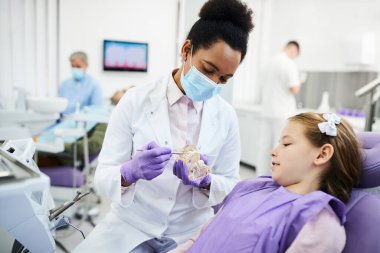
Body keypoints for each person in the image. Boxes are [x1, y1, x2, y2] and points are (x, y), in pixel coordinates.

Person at [73, 0, 254, 252]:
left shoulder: (226, 117)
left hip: (190, 232)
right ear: (186, 50)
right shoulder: (135, 101)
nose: (214, 83)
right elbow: (102, 178)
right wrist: (130, 172)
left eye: (224, 78)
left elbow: (231, 184)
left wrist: (205, 180)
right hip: (132, 226)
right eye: (208, 69)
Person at [169, 112, 362, 252]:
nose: (274, 150)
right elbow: (200, 238)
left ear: (322, 154)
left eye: (286, 144)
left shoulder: (319, 223)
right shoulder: (252, 188)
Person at [257, 41, 301, 176]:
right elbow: (294, 88)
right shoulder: (288, 63)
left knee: (264, 146)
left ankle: (261, 175)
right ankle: (276, 176)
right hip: (282, 112)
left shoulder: (268, 63)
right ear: (294, 51)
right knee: (280, 146)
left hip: (267, 110)